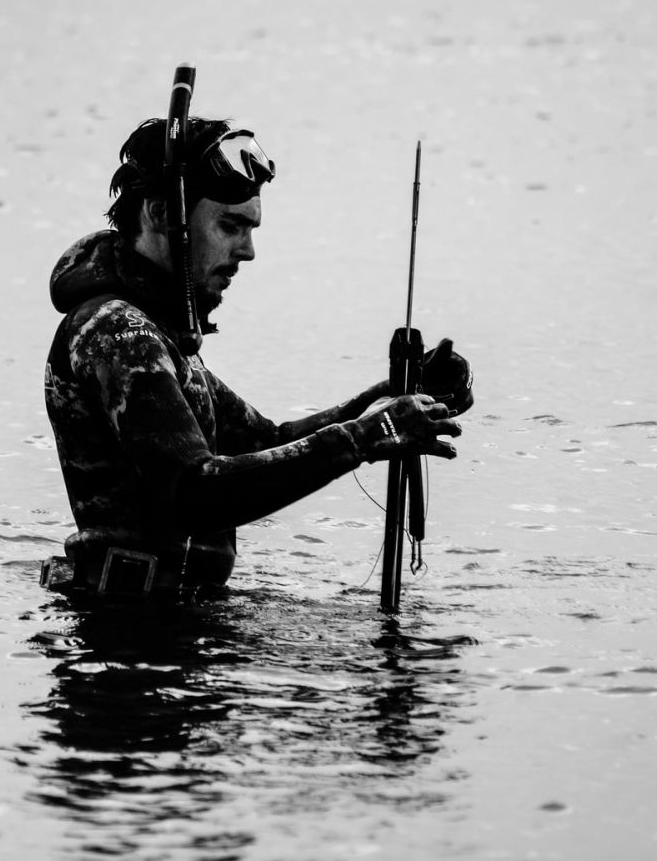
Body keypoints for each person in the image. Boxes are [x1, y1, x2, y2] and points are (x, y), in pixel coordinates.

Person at [42, 115, 474, 594]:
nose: (247, 251)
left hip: (171, 622)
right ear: (162, 214)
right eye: (230, 226)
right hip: (128, 639)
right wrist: (368, 436)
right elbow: (194, 492)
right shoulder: (117, 332)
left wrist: (391, 399)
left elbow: (264, 442)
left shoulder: (155, 333)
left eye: (251, 229)